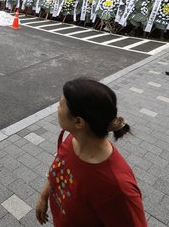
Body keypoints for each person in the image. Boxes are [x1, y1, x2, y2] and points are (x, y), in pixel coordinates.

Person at [35, 78, 147, 227]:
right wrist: (43, 197)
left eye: (61, 104)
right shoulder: (71, 139)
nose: (57, 107)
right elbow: (57, 170)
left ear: (79, 122)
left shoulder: (117, 188)